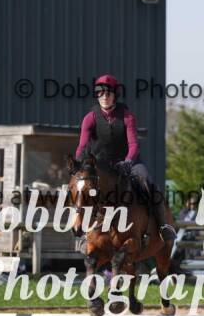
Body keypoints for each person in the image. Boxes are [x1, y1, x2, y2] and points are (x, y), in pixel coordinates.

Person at [75, 74, 176, 242]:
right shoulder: (90, 118)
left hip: (128, 162)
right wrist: (79, 162)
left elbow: (133, 144)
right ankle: (82, 229)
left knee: (147, 180)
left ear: (115, 95)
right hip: (102, 164)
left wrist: (128, 161)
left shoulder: (127, 117)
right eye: (101, 93)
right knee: (81, 186)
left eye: (108, 93)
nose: (104, 97)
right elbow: (82, 145)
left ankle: (162, 225)